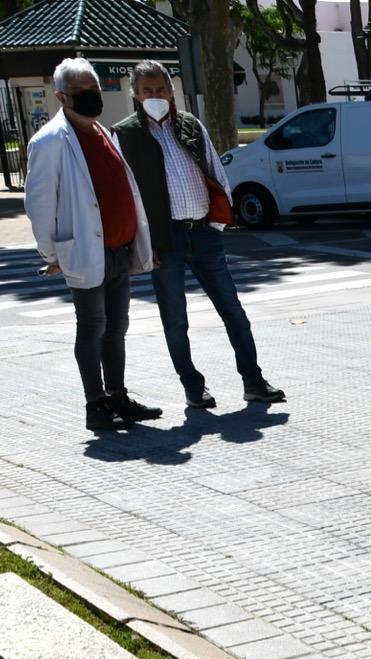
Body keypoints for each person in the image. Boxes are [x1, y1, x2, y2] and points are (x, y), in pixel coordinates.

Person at [114, 61, 285, 410]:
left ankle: (253, 380)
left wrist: (218, 223)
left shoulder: (190, 124)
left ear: (171, 89)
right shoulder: (125, 135)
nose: (155, 96)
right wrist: (143, 246)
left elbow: (215, 172)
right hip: (165, 242)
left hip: (204, 233)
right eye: (147, 90)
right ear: (135, 93)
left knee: (233, 311)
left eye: (161, 89)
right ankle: (193, 387)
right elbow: (125, 196)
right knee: (175, 319)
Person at [25, 57, 160, 434]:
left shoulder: (103, 132)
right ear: (60, 96)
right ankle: (95, 404)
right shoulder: (50, 141)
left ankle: (117, 395)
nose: (89, 97)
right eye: (80, 92)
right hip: (84, 250)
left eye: (94, 90)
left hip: (119, 248)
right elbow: (38, 203)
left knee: (117, 326)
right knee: (92, 326)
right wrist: (50, 254)